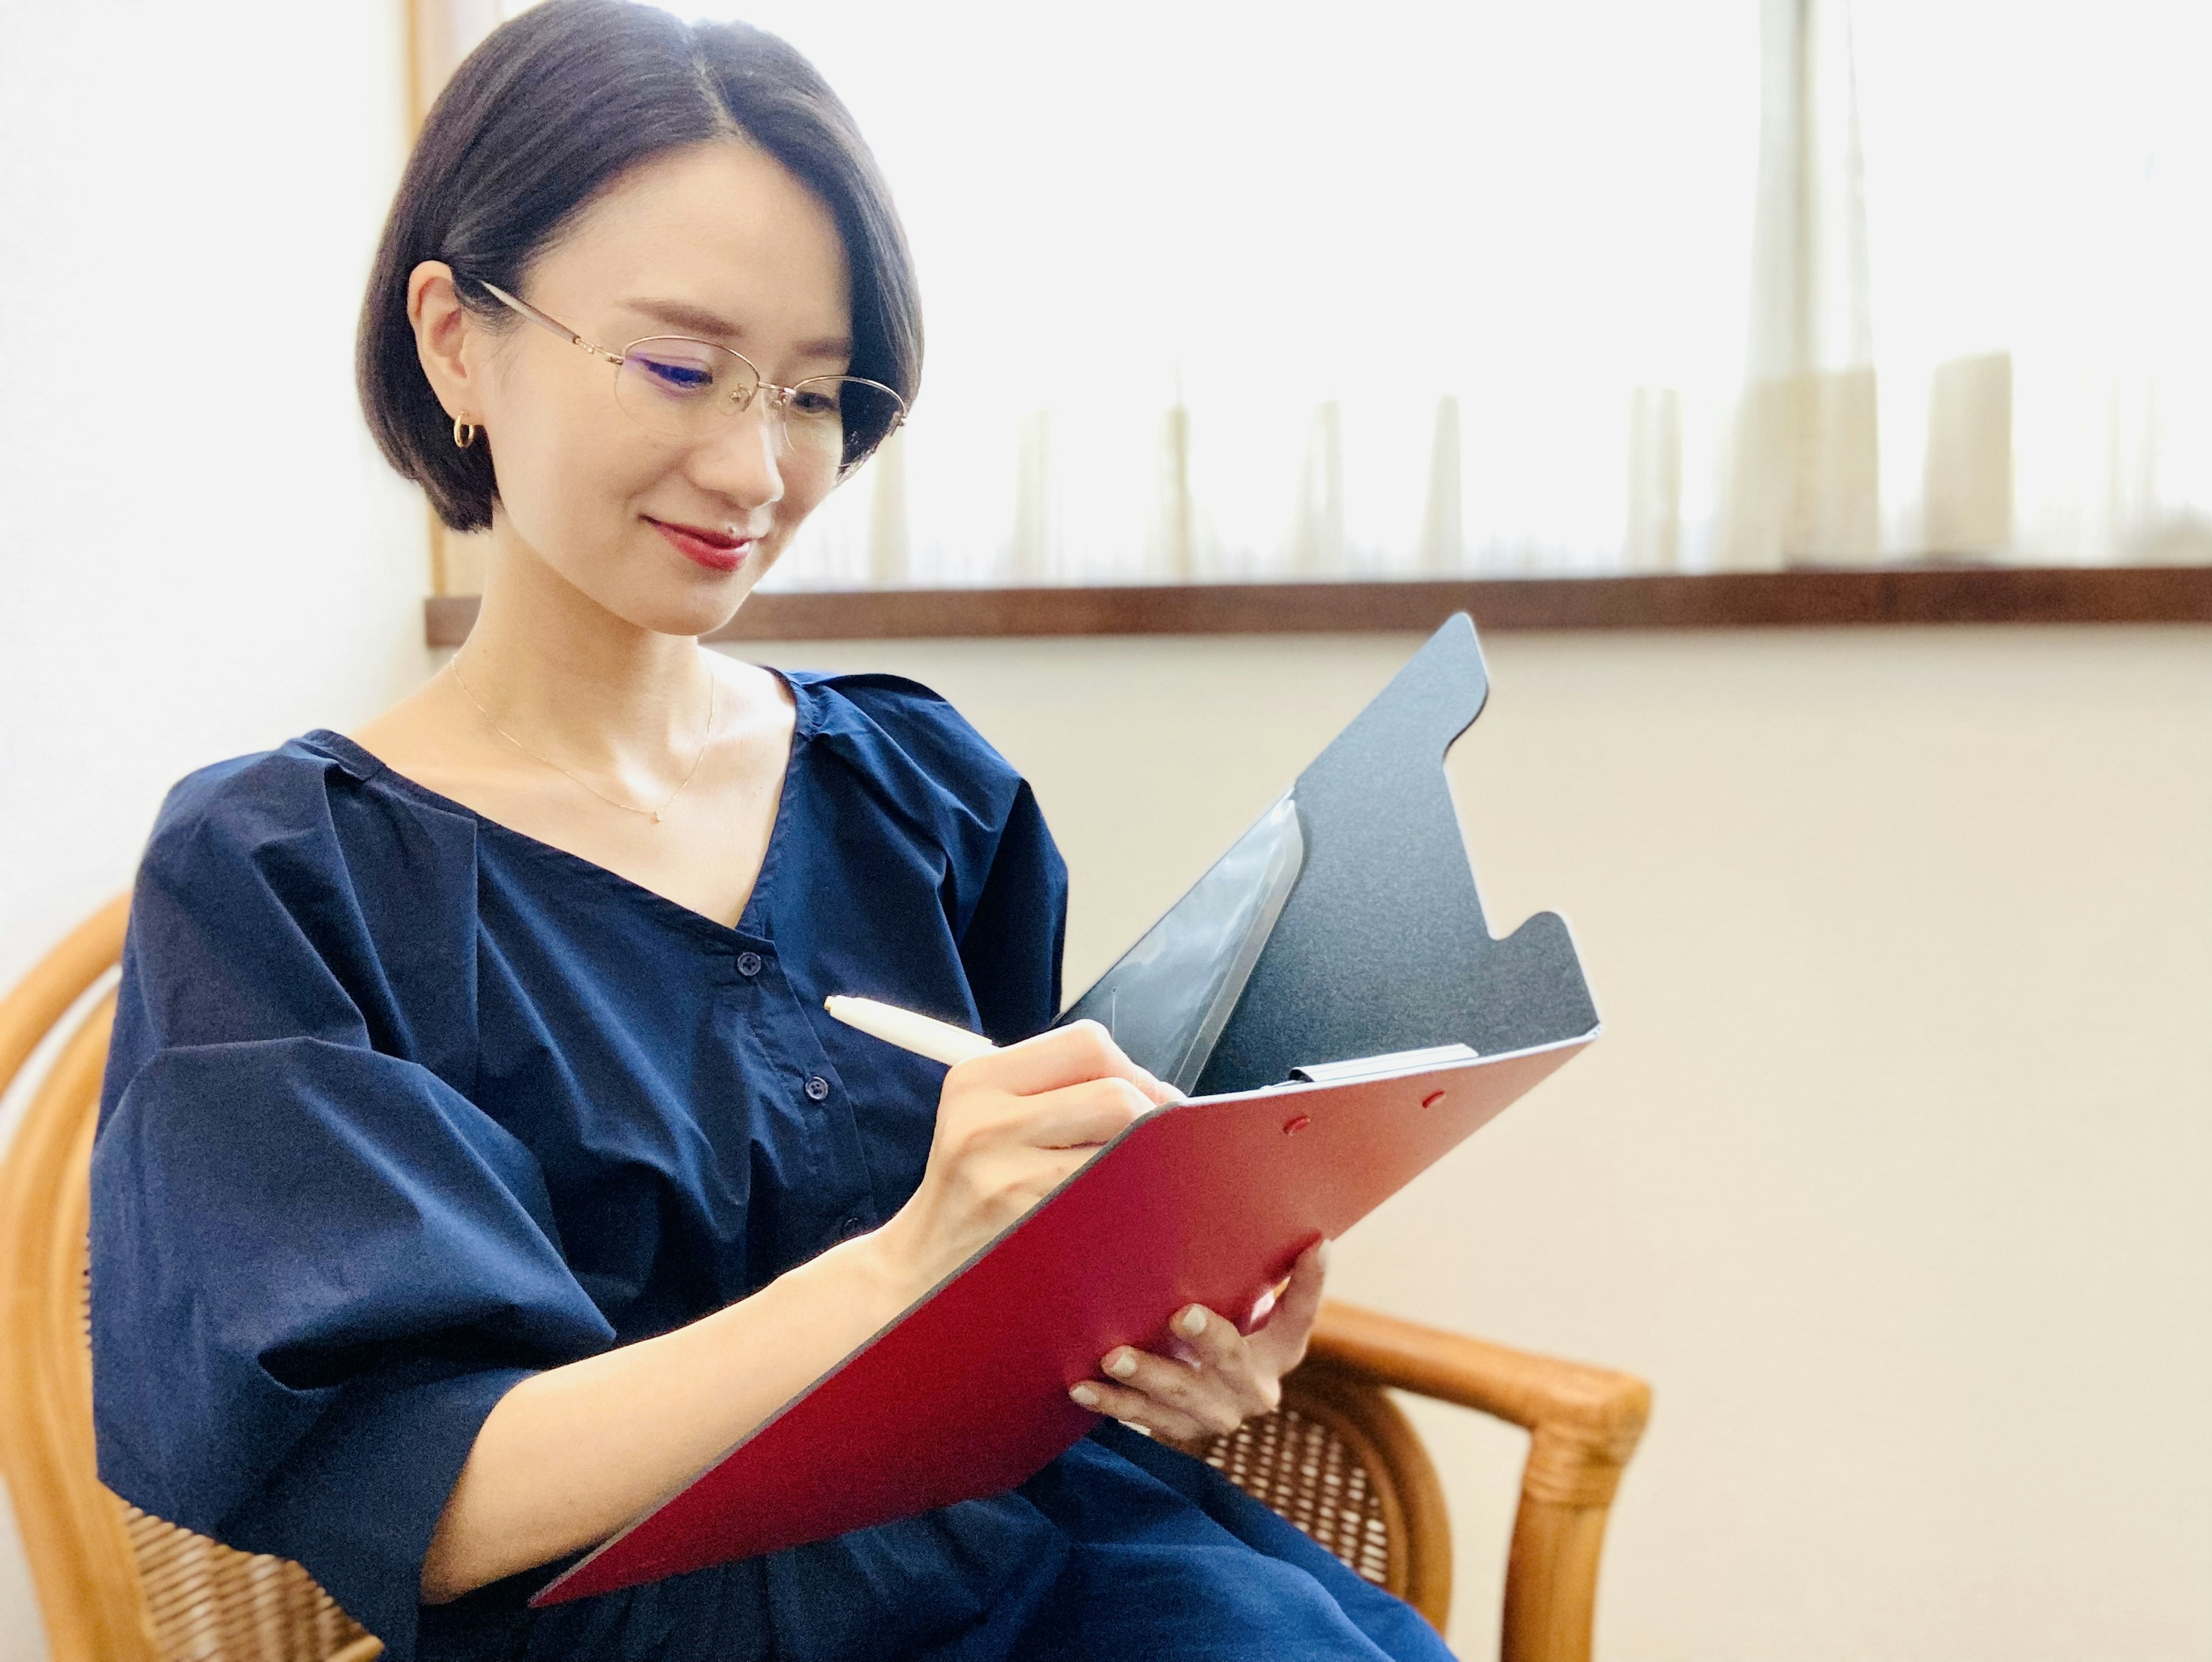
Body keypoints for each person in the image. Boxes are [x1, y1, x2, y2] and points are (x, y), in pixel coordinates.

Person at [89, 5, 1457, 1659]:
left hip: (1046, 1579)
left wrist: (1169, 1335)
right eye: (679, 366)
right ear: (456, 337)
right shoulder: (284, 879)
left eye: (815, 395)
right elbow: (422, 1496)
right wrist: (897, 1275)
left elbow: (1037, 1292)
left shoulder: (918, 786)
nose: (754, 468)